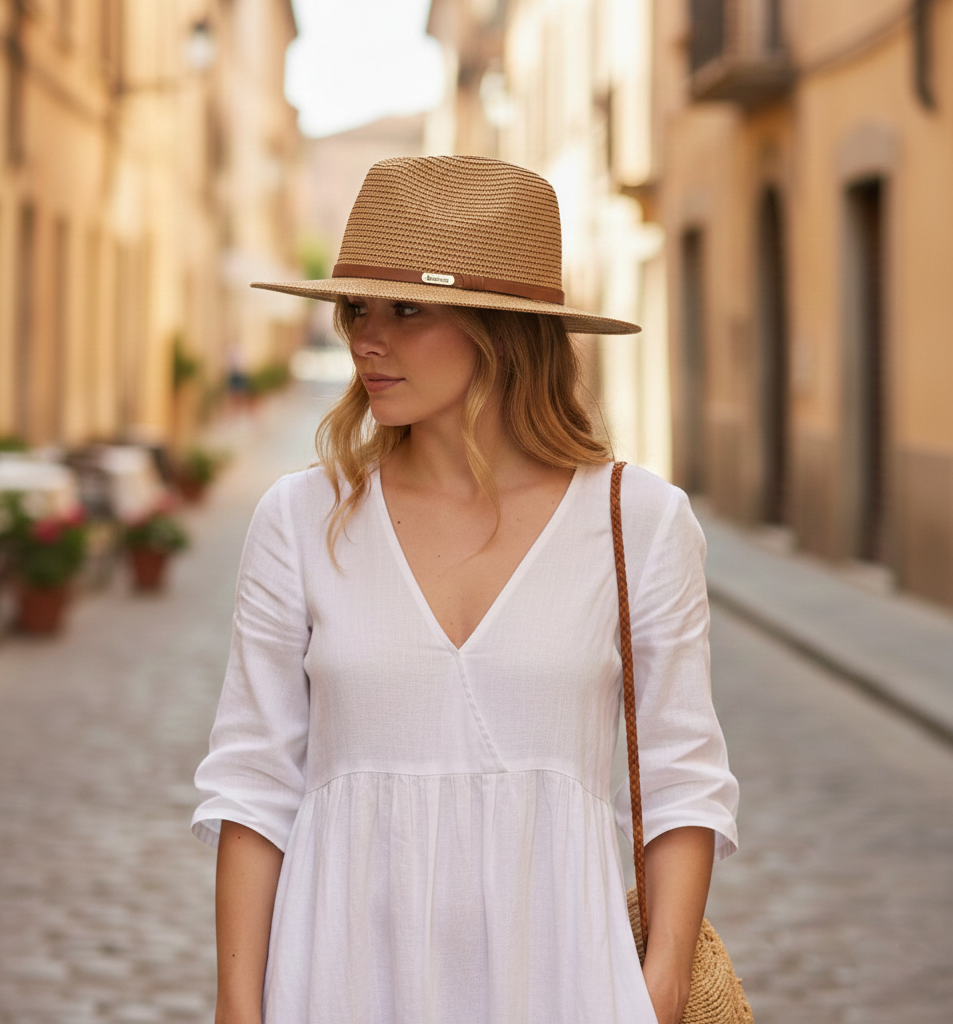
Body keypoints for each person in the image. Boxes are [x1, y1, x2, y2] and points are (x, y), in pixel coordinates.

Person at [192, 155, 739, 1024]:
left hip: (562, 982)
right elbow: (254, 787)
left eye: (407, 310)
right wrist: (237, 1006)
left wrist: (660, 991)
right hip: (339, 980)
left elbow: (682, 778)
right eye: (357, 308)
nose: (367, 338)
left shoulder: (638, 520)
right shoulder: (300, 519)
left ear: (500, 329)